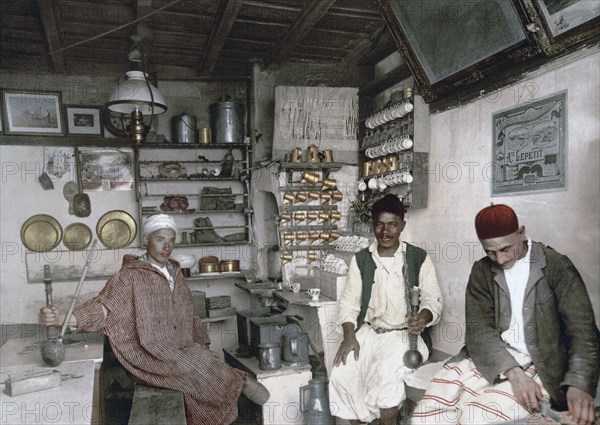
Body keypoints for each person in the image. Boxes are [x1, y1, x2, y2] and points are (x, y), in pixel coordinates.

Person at [39, 214, 269, 425]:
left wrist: (202, 344)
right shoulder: (130, 276)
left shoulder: (176, 273)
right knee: (195, 366)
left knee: (202, 362)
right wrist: (65, 319)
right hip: (149, 352)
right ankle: (241, 382)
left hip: (182, 347)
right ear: (147, 240)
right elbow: (104, 308)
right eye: (160, 239)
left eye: (171, 240)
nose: (166, 246)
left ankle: (214, 408)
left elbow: (190, 314)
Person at [411, 204, 600, 425]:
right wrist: (515, 374)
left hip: (542, 365)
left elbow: (583, 332)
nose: (499, 259)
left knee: (475, 416)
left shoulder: (556, 266)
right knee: (427, 412)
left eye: (506, 249)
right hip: (496, 357)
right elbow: (480, 332)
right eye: (490, 251)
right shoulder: (482, 271)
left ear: (522, 233)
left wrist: (579, 384)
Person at [329, 194, 443, 425]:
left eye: (392, 224)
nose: (385, 231)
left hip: (405, 335)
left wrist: (422, 318)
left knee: (387, 379)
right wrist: (349, 337)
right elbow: (350, 302)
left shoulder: (417, 257)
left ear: (402, 225)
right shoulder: (361, 259)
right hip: (370, 333)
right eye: (379, 224)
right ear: (372, 225)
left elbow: (433, 299)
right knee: (343, 373)